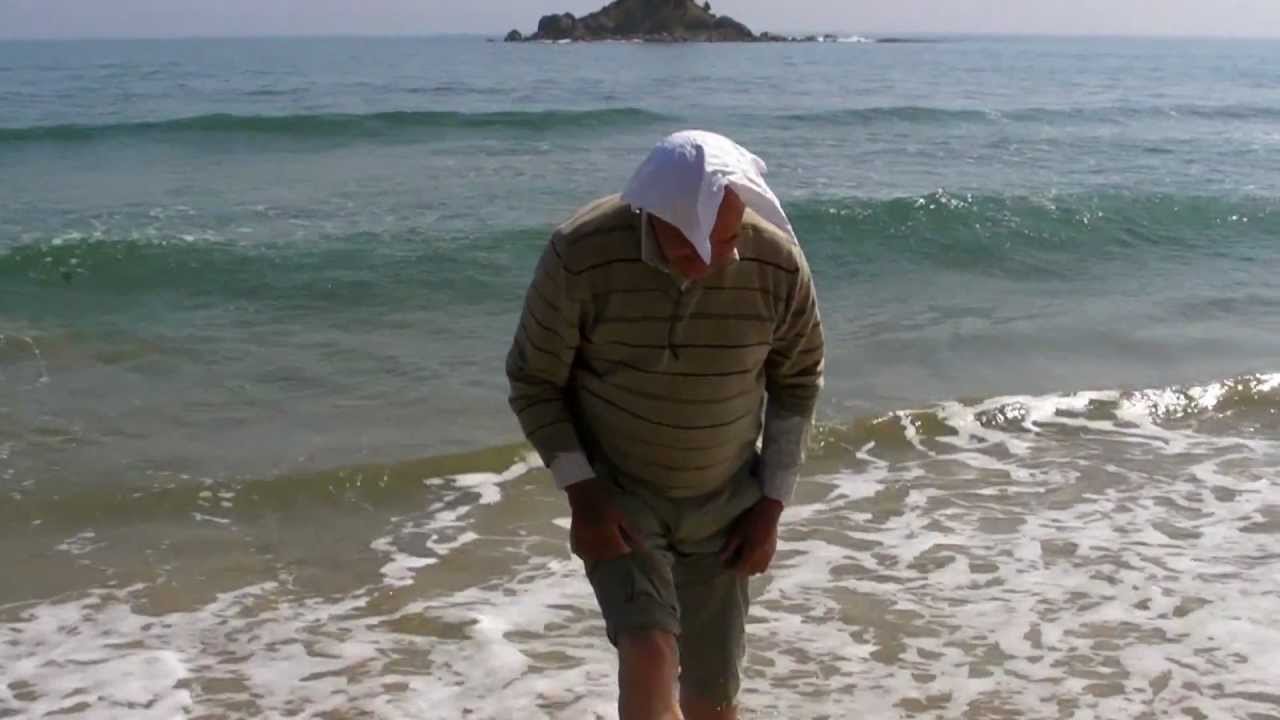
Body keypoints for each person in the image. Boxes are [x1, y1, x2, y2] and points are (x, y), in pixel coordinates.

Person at [505, 130, 824, 720]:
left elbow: (798, 383)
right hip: (619, 497)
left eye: (724, 240)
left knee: (712, 696)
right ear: (650, 215)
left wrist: (772, 506)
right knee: (649, 653)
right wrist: (584, 495)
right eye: (687, 244)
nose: (708, 261)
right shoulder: (581, 253)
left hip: (726, 502)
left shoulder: (775, 263)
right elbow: (534, 380)